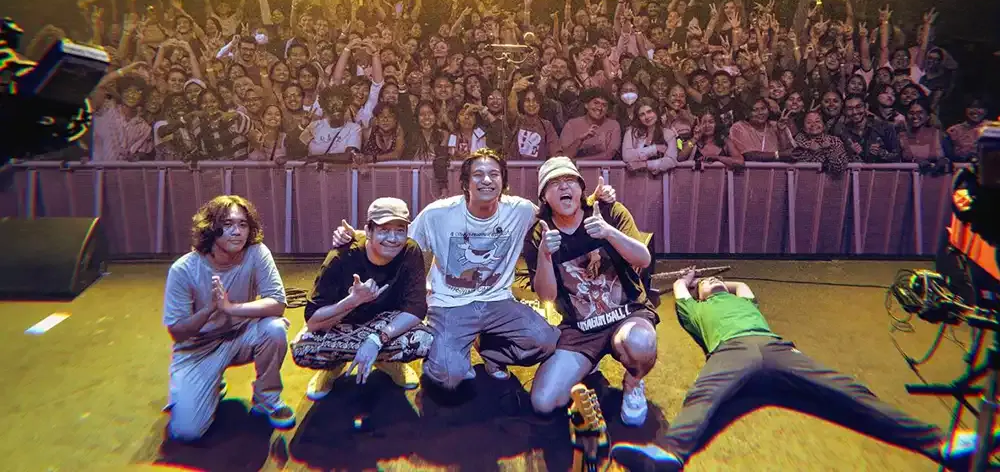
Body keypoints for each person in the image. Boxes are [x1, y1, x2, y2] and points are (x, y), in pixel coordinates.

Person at [609, 270, 994, 471]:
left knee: (848, 393)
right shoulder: (695, 310)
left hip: (775, 348)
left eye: (718, 281)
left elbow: (741, 286)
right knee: (704, 398)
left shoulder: (744, 301)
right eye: (708, 284)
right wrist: (690, 282)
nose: (715, 283)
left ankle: (941, 445)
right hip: (732, 352)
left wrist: (715, 282)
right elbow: (680, 290)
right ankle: (667, 455)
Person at [331, 148, 616, 386]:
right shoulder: (438, 214)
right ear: (465, 183)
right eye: (478, 175)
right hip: (450, 304)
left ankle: (491, 351)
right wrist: (356, 236)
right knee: (448, 377)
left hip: (498, 301)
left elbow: (559, 210)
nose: (486, 180)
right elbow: (399, 240)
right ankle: (452, 352)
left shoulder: (520, 210)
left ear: (503, 182)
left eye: (494, 174)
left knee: (547, 341)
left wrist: (594, 200)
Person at [524, 157, 659, 426]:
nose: (564, 186)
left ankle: (633, 384)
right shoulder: (540, 233)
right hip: (581, 329)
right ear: (544, 196)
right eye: (554, 183)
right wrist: (545, 255)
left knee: (641, 342)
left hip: (627, 314)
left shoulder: (608, 211)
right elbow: (547, 297)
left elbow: (643, 259)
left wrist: (609, 233)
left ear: (581, 188)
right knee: (543, 402)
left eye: (570, 180)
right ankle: (589, 363)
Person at [162, 195, 293, 441]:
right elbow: (177, 332)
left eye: (243, 224)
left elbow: (277, 303)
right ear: (211, 229)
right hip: (199, 349)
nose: (237, 232)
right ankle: (206, 384)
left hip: (241, 335)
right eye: (228, 224)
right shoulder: (184, 269)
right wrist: (210, 309)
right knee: (187, 433)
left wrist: (230, 308)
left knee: (275, 328)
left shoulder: (256, 253)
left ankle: (267, 399)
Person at [291, 198, 434, 399]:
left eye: (400, 230)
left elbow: (416, 309)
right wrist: (353, 301)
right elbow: (313, 321)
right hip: (343, 324)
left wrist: (377, 339)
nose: (393, 238)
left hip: (385, 323)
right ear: (368, 231)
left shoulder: (410, 251)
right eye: (384, 230)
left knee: (424, 339)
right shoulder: (341, 257)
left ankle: (387, 362)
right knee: (304, 349)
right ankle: (333, 367)